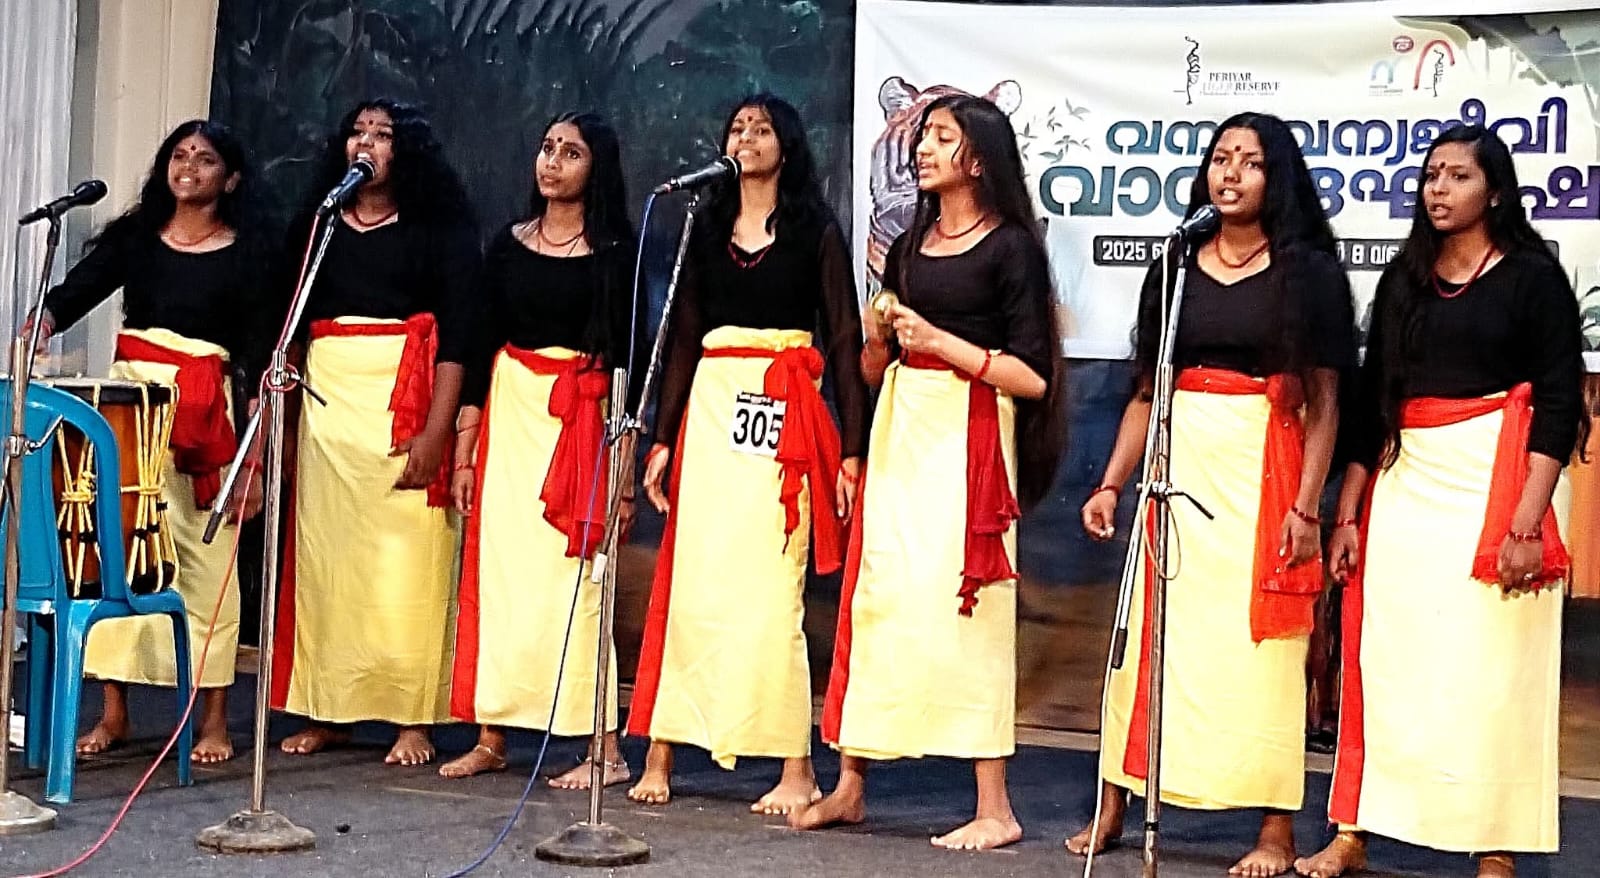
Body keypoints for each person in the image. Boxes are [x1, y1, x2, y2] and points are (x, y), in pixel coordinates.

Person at [1065, 111, 1355, 877]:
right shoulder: (1179, 263)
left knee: (1264, 654)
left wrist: (1306, 507)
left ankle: (1273, 829)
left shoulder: (1307, 274)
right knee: (1148, 644)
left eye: (1250, 162)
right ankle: (1120, 802)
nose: (1230, 173)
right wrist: (1111, 484)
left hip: (1266, 472)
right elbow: (1145, 390)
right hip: (1178, 468)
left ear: (1278, 177)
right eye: (1220, 159)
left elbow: (1325, 399)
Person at [1294, 125, 1583, 878]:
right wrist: (1349, 512)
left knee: (1493, 675)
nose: (1438, 189)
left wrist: (1526, 521)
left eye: (1457, 176)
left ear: (1494, 190)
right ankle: (1354, 832)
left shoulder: (1531, 277)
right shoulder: (1405, 279)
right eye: (1430, 176)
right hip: (1408, 487)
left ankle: (1495, 846)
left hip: (1501, 488)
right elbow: (1369, 408)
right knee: (1386, 665)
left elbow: (1557, 403)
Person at [791, 94, 1065, 850]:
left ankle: (995, 806)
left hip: (970, 434)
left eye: (940, 138)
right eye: (921, 137)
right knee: (883, 596)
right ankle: (851, 783)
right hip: (903, 426)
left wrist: (943, 344)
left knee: (967, 606)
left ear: (977, 157)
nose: (922, 149)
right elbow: (879, 366)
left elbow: (1033, 375)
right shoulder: (910, 240)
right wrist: (880, 340)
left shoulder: (1010, 246)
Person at [629, 94, 870, 815]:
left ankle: (795, 764)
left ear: (787, 147)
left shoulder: (812, 227)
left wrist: (851, 451)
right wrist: (662, 436)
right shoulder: (703, 226)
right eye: (736, 127)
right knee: (693, 578)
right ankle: (664, 750)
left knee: (772, 587)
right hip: (712, 406)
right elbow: (681, 336)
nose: (747, 137)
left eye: (762, 129)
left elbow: (844, 336)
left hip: (785, 415)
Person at [35, 119, 272, 765]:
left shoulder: (250, 251)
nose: (188, 164)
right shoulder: (137, 236)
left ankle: (214, 719)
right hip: (128, 410)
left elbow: (258, 354)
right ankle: (115, 711)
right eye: (178, 153)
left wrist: (254, 454)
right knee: (118, 549)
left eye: (205, 157)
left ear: (231, 178)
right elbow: (74, 293)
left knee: (206, 559)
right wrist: (44, 319)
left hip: (208, 408)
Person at [271, 99, 480, 767]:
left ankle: (411, 716)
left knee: (410, 565)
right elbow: (292, 321)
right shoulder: (323, 221)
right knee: (330, 564)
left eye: (382, 134)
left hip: (407, 400)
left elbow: (459, 336)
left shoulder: (438, 228)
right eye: (357, 132)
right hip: (329, 409)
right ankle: (330, 708)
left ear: (407, 150)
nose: (366, 142)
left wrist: (436, 430)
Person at [440, 112, 642, 786]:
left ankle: (603, 749)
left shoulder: (617, 253)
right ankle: (492, 731)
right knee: (499, 578)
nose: (553, 161)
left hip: (582, 423)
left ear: (597, 168)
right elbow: (472, 346)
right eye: (548, 148)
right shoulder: (507, 245)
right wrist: (465, 452)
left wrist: (624, 468)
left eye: (572, 152)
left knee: (579, 584)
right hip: (511, 416)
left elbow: (628, 366)